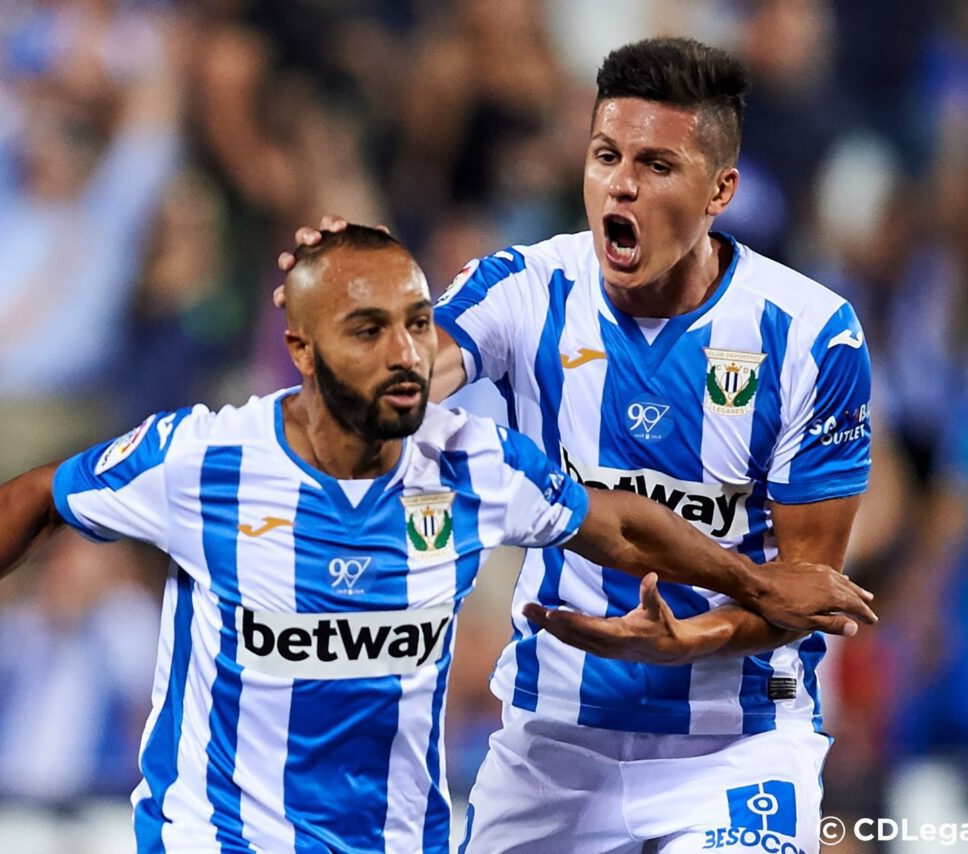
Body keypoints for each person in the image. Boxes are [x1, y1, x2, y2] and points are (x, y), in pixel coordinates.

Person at [0, 227, 872, 852]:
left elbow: (619, 522)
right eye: (367, 329)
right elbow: (37, 495)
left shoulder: (474, 463)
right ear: (300, 349)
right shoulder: (205, 459)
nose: (405, 353)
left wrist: (756, 581)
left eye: (416, 323)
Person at [281, 38, 874, 854]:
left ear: (720, 190)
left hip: (736, 746)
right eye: (605, 156)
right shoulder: (524, 289)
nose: (621, 184)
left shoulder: (812, 335)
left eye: (657, 165)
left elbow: (802, 591)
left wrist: (686, 642)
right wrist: (356, 310)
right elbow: (406, 379)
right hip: (554, 738)